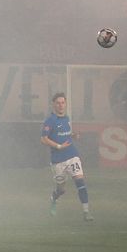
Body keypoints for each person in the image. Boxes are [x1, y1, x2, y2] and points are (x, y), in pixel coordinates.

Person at [41, 92, 93, 221]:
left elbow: (66, 134)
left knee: (80, 182)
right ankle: (54, 197)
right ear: (53, 104)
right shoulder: (50, 121)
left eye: (63, 103)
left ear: (65, 104)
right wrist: (58, 146)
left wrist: (73, 136)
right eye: (58, 103)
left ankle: (86, 212)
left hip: (72, 155)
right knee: (61, 189)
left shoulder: (67, 118)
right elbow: (43, 139)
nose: (60, 105)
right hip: (58, 160)